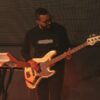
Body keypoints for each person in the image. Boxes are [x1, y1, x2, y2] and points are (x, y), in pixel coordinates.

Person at [21, 8, 71, 100]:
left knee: (56, 97)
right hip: (39, 69)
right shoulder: (31, 33)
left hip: (56, 68)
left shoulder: (60, 30)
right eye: (45, 21)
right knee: (41, 97)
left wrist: (68, 55)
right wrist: (30, 61)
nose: (49, 23)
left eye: (50, 19)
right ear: (37, 22)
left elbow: (67, 46)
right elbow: (24, 51)